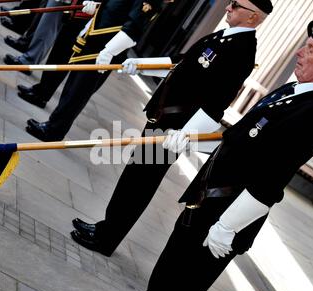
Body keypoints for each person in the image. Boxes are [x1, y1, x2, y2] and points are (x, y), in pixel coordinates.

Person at [136, 20, 313, 291]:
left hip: (226, 213)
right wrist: (191, 139)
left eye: (310, 49)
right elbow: (243, 141)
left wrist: (227, 226)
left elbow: (271, 179)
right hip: (207, 198)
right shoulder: (290, 93)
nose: (299, 53)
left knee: (180, 289)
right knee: (165, 276)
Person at [71, 0, 274, 257]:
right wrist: (141, 64)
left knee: (140, 183)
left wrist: (187, 134)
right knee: (133, 178)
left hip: (174, 131)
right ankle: (106, 228)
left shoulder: (242, 51)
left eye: (235, 5)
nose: (228, 7)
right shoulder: (225, 36)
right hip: (163, 119)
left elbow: (218, 101)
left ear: (253, 17)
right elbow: (181, 61)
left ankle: (106, 238)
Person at [25, 0, 165, 141]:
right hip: (93, 40)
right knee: (71, 88)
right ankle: (53, 124)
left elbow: (134, 28)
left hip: (104, 48)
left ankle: (54, 130)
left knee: (78, 92)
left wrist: (109, 51)